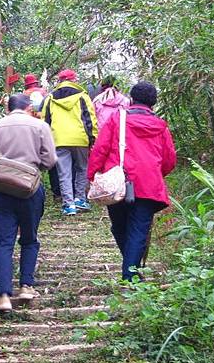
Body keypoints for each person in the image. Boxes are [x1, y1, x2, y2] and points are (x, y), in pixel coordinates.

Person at [87, 81, 177, 282]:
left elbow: (100, 149)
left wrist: (93, 176)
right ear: (153, 102)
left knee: (119, 227)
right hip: (149, 186)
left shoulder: (117, 120)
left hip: (118, 182)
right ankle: (131, 273)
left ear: (132, 98)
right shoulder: (161, 126)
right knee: (138, 230)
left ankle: (130, 274)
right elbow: (170, 160)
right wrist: (154, 173)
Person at [0, 93, 57, 312]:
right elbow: (50, 161)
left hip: (1, 190)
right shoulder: (40, 126)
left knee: (3, 242)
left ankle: (2, 297)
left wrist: (1, 171)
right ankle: (26, 286)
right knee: (29, 239)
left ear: (7, 108)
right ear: (29, 107)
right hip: (30, 190)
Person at [41, 69, 98, 216]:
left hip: (58, 139)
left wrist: (46, 141)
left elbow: (45, 121)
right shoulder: (82, 96)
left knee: (63, 172)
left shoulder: (50, 98)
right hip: (80, 138)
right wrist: (93, 138)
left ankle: (68, 205)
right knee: (82, 168)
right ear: (74, 80)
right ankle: (80, 198)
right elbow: (90, 119)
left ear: (60, 81)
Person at [22, 73, 61, 201]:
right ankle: (57, 192)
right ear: (36, 83)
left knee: (31, 161)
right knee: (51, 162)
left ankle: (31, 187)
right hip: (45, 129)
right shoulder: (44, 93)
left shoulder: (23, 95)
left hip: (28, 131)